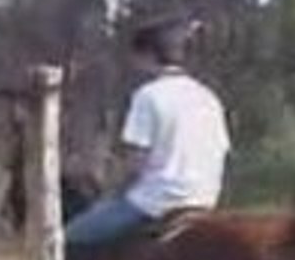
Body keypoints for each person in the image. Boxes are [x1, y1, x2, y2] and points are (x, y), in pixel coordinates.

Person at [64, 15, 231, 247]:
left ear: (147, 56)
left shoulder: (148, 96)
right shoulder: (208, 98)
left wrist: (113, 192)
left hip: (155, 204)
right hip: (204, 202)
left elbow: (136, 164)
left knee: (65, 239)